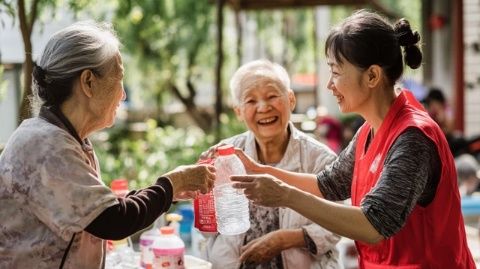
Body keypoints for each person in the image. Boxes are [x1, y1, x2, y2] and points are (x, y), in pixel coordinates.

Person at [230, 10, 475, 268]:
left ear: (372, 76)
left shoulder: (413, 138)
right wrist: (260, 170)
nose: (330, 85)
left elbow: (374, 225)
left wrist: (285, 196)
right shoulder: (369, 130)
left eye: (336, 72)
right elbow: (329, 184)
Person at [0, 21, 215, 268]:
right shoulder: (43, 144)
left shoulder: (67, 140)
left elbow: (102, 209)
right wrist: (170, 184)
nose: (123, 94)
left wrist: (171, 192)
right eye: (119, 77)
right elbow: (113, 220)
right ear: (88, 82)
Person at [202, 59, 341, 269]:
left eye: (272, 96)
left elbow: (341, 221)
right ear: (238, 111)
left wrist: (286, 239)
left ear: (291, 99)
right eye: (250, 101)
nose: (263, 107)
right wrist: (200, 189)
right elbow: (207, 228)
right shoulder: (224, 157)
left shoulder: (320, 159)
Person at [423, 87, 467, 156]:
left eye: (432, 103)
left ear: (439, 103)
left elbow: (450, 130)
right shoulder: (429, 113)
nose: (431, 106)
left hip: (447, 140)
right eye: (430, 104)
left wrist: (442, 119)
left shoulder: (447, 110)